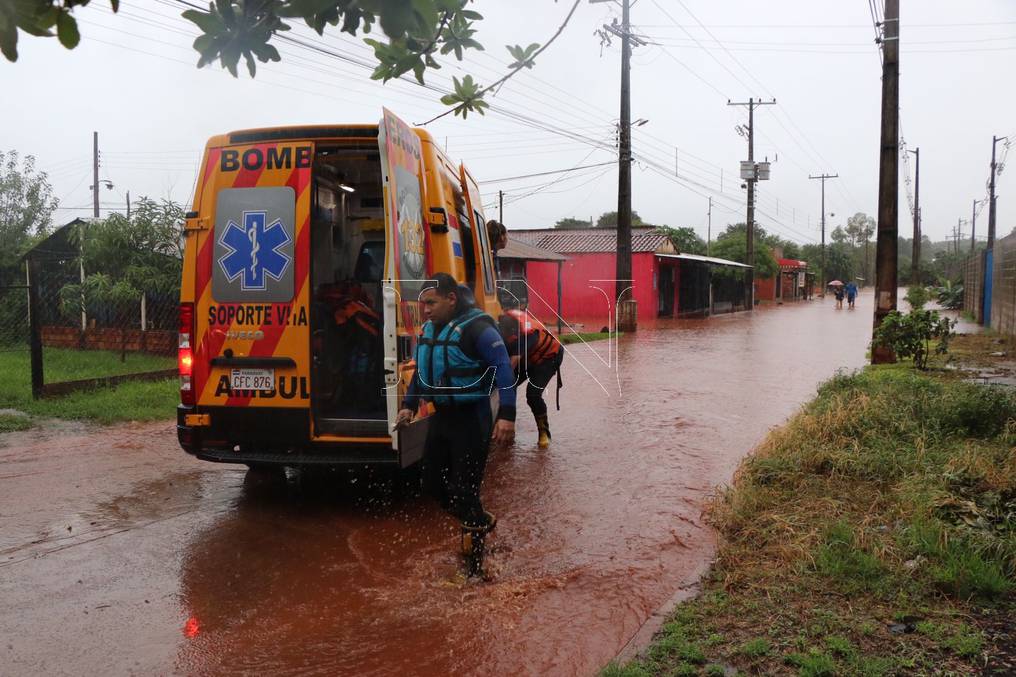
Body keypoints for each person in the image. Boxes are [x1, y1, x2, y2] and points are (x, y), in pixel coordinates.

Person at [395, 273, 516, 577]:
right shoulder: (430, 330)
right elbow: (422, 372)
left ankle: (473, 572)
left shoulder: (479, 329)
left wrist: (507, 415)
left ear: (451, 299)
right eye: (423, 304)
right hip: (442, 418)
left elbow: (503, 369)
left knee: (465, 491)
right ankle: (478, 520)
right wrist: (408, 405)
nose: (425, 310)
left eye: (431, 303)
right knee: (431, 486)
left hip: (472, 420)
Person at [498, 309, 564, 449]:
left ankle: (544, 432)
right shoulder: (501, 329)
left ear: (514, 335)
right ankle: (507, 427)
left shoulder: (526, 336)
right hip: (529, 356)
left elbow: (510, 367)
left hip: (549, 358)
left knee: (533, 395)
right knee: (508, 386)